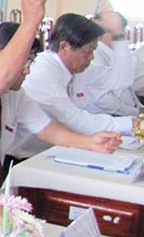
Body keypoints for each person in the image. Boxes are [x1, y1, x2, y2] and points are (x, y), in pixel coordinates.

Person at [0, 17, 120, 196]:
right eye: (23, 62)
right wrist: (31, 19)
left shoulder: (15, 93)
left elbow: (47, 129)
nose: (27, 70)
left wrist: (90, 142)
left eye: (30, 61)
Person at [21, 13, 136, 155]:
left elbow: (122, 79)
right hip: (29, 155)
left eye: (93, 50)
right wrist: (131, 123)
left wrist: (118, 36)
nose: (91, 57)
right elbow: (74, 120)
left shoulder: (78, 69)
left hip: (60, 148)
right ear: (64, 47)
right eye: (88, 51)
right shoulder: (43, 72)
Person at [71, 11, 141, 116]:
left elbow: (126, 84)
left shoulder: (114, 54)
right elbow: (103, 99)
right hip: (112, 116)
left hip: (126, 114)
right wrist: (134, 112)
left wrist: (138, 107)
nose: (124, 35)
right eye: (120, 30)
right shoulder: (93, 55)